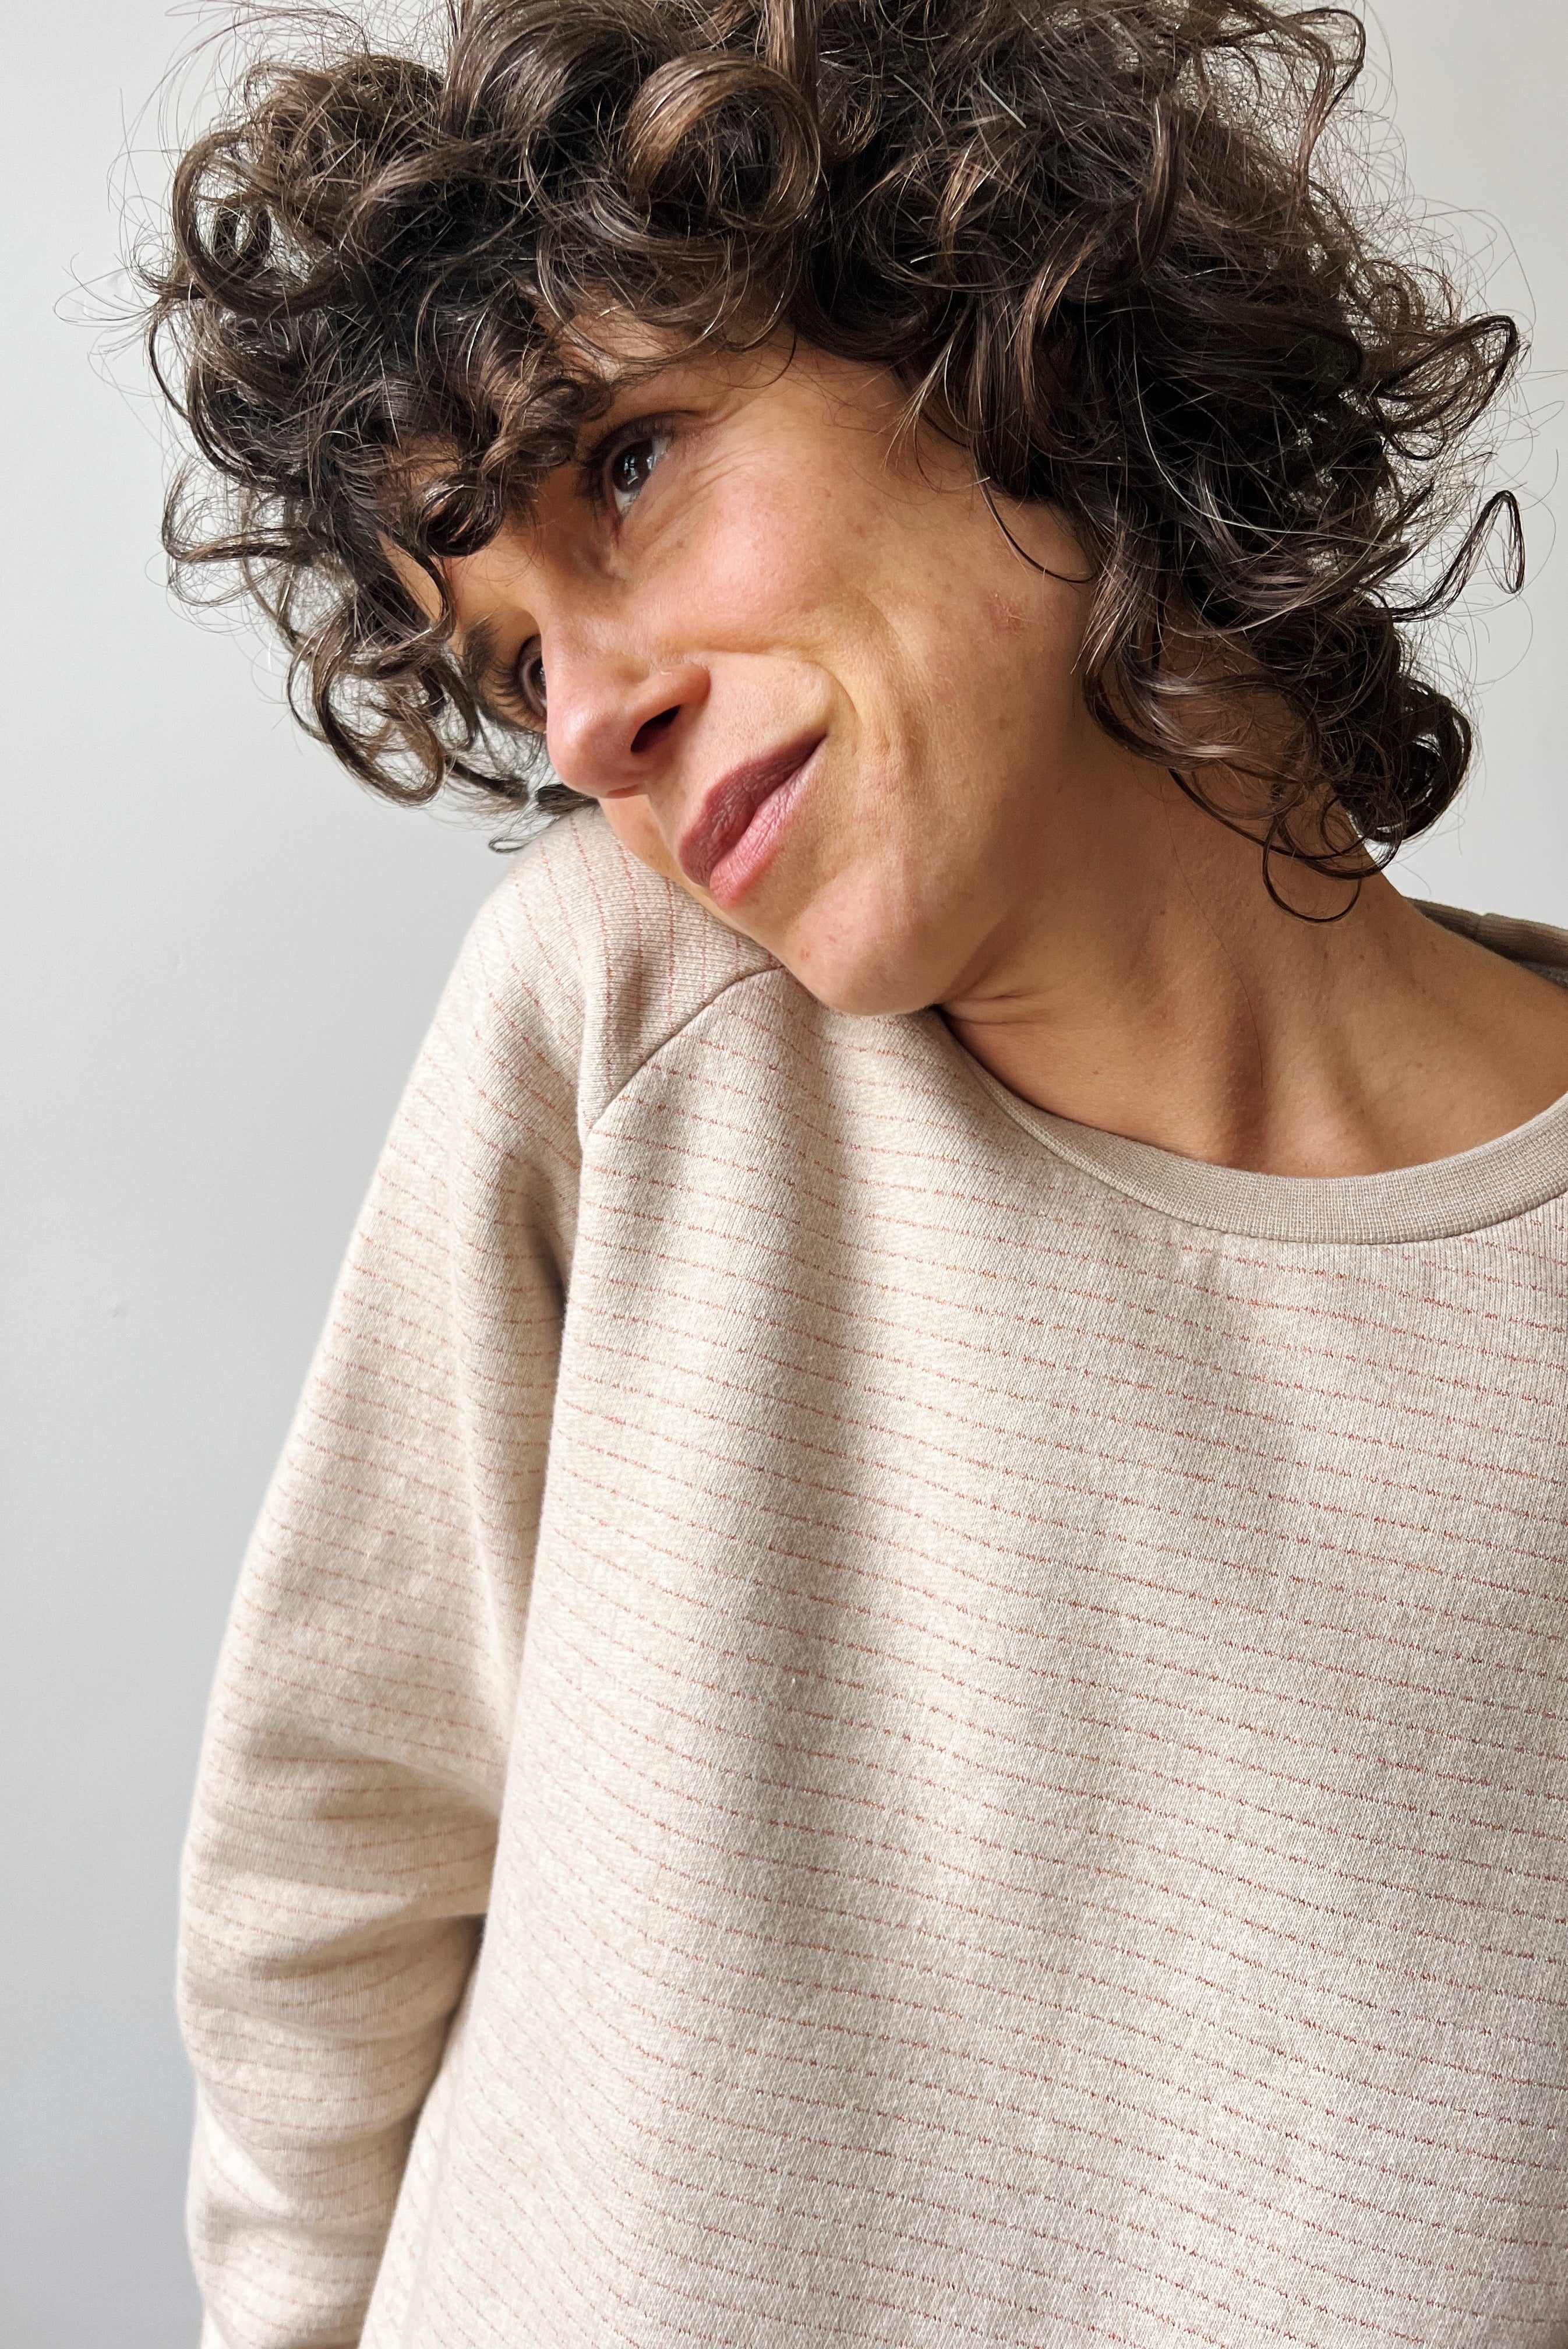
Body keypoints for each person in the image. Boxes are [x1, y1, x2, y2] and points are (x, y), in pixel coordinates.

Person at [149, 0, 1568, 2340]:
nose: (589, 711)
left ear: (997, 330)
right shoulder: (623, 1031)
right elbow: (325, 1888)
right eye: (510, 674)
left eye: (620, 466)